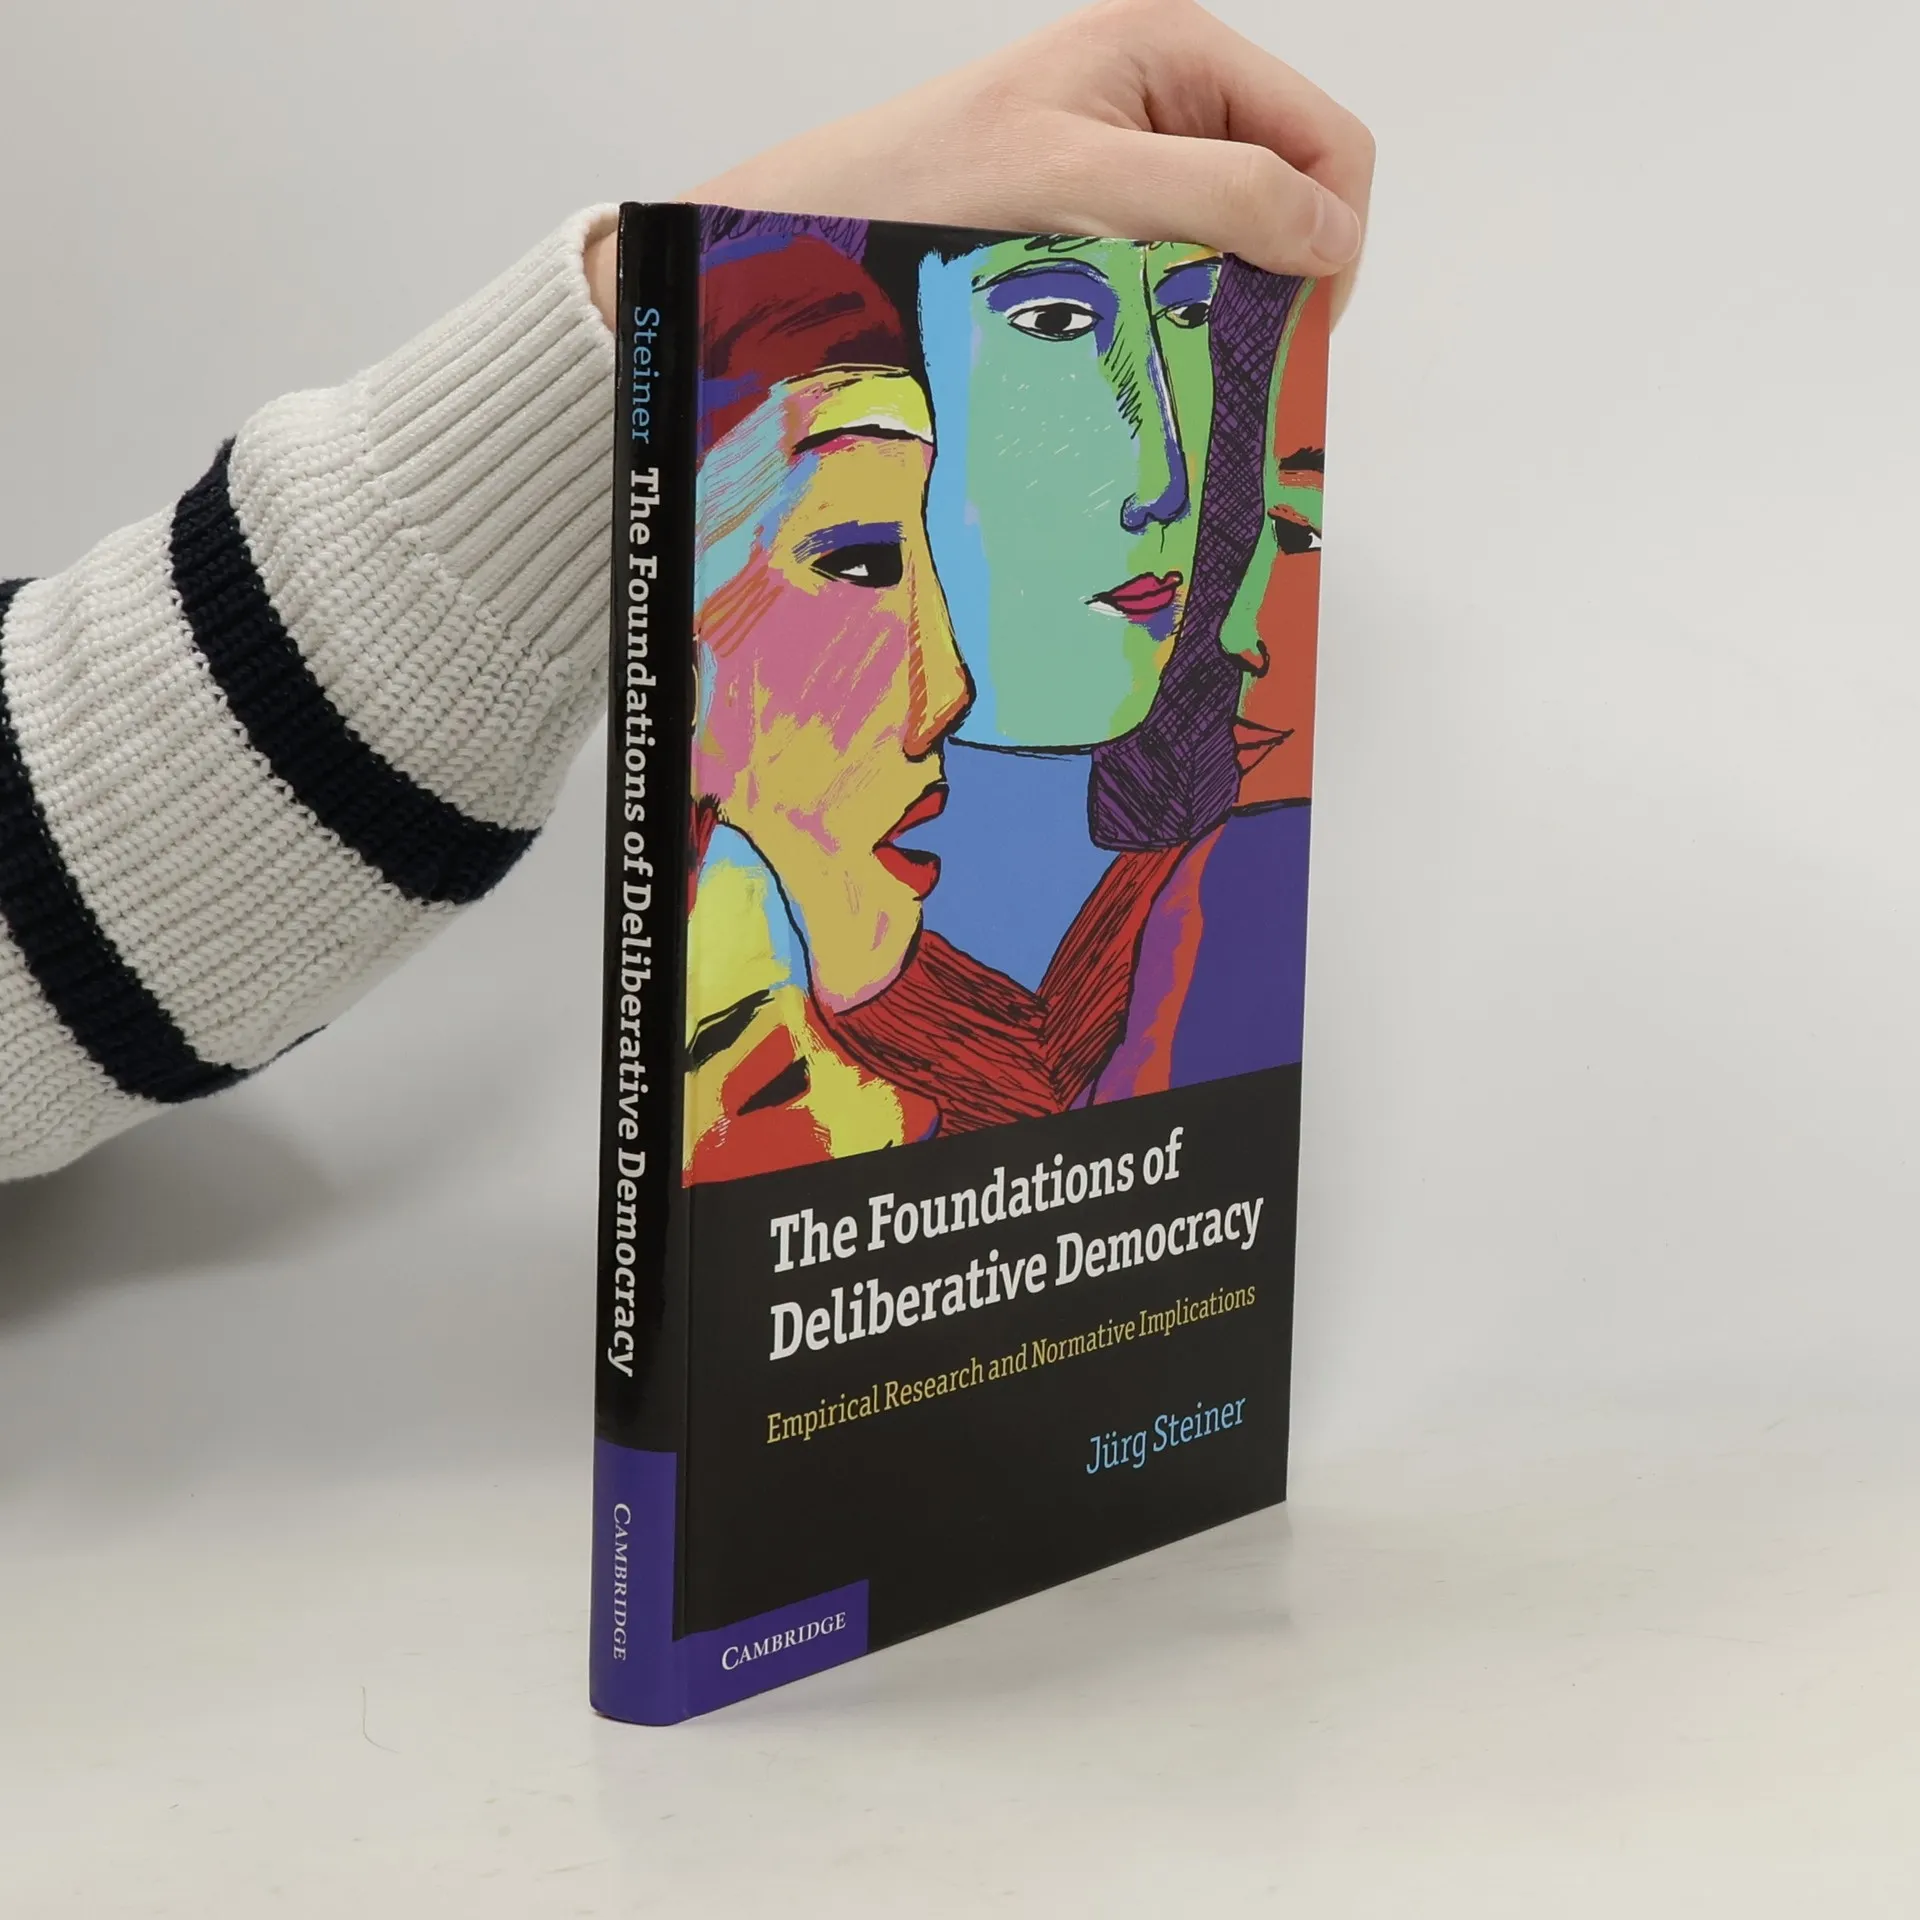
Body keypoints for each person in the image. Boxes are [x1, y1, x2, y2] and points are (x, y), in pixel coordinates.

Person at [0, 0, 1374, 1182]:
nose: (1174, 488)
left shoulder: (1130, 966)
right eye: (1056, 321)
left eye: (1186, 327)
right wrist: (658, 306)